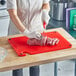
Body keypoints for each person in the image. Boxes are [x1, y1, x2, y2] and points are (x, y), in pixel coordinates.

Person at [7, 0, 52, 76]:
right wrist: (26, 32)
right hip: (17, 32)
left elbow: (46, 3)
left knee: (35, 63)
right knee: (18, 65)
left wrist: (45, 12)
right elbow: (12, 14)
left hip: (36, 30)